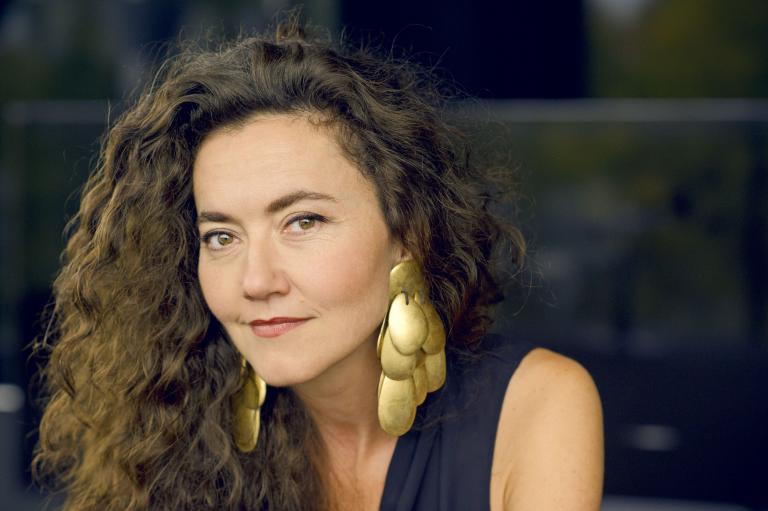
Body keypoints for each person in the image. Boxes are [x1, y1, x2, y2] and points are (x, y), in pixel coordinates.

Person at [32, 13, 603, 511]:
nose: (256, 281)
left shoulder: (535, 406)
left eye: (303, 222)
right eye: (221, 236)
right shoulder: (177, 434)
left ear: (407, 233)